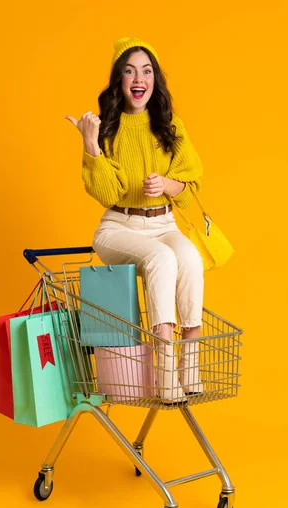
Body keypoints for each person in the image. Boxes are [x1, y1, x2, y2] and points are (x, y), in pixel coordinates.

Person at [66, 36, 204, 403]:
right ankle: (165, 371)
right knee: (162, 259)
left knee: (188, 257)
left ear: (154, 80)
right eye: (129, 71)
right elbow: (107, 193)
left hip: (164, 224)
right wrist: (91, 144)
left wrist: (168, 184)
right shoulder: (106, 128)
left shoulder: (171, 126)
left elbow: (191, 186)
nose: (138, 78)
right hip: (119, 227)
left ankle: (189, 369)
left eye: (146, 70)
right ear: (119, 81)